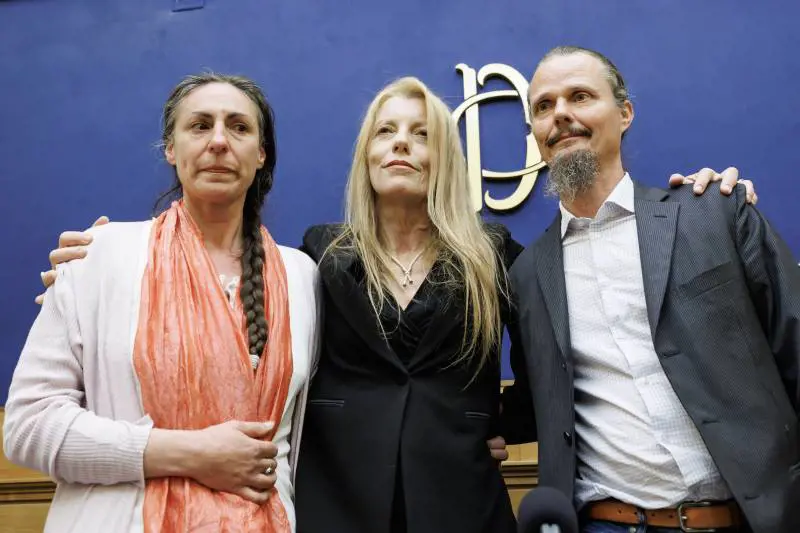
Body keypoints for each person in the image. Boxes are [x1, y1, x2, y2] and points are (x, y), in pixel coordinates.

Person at [37, 75, 753, 533]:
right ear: (366, 153)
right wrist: (99, 263)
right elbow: (221, 291)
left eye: (420, 134)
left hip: (461, 502)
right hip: (336, 503)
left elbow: (557, 361)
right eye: (386, 131)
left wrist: (493, 424)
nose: (401, 145)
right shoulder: (317, 253)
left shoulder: (493, 253)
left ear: (443, 155)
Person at [4, 73, 321, 533]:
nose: (218, 141)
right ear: (171, 149)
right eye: (200, 125)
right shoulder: (100, 256)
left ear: (261, 154)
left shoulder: (301, 277)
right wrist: (193, 454)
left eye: (238, 126)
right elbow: (28, 426)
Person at [502, 46, 799, 533]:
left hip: (745, 517)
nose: (561, 115)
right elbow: (535, 400)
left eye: (580, 96)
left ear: (624, 114)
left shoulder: (714, 213)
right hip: (605, 523)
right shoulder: (528, 274)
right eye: (543, 106)